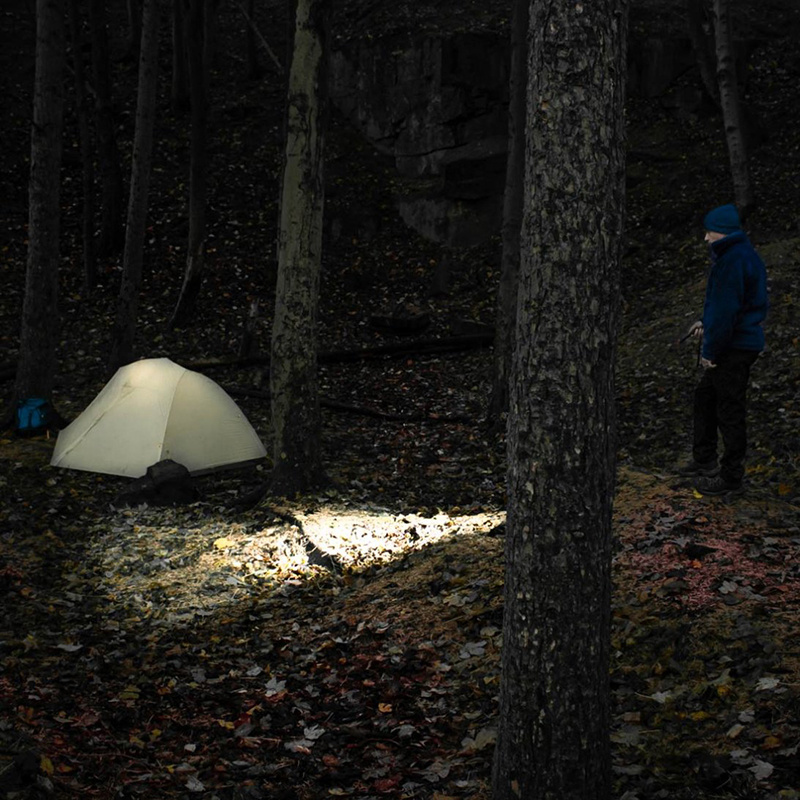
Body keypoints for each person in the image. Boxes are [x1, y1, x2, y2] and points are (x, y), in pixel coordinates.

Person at [679, 203, 768, 495]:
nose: (706, 238)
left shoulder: (732, 260)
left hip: (735, 345)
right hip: (738, 340)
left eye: (710, 232)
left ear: (724, 232)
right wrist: (706, 321)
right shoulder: (740, 255)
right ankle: (705, 459)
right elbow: (731, 306)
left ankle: (730, 477)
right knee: (706, 396)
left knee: (729, 408)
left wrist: (710, 351)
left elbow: (726, 311)